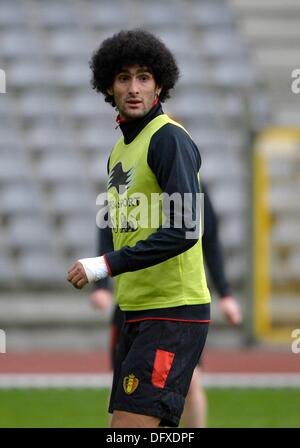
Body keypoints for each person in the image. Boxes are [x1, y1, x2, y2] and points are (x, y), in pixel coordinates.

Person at [67, 29, 211, 428]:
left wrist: (104, 265)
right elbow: (119, 224)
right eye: (124, 78)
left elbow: (185, 229)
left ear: (159, 85)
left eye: (144, 77)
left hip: (173, 313)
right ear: (108, 87)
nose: (134, 88)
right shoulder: (119, 150)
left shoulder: (168, 139)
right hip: (136, 310)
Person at [90, 182, 242, 428]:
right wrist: (100, 285)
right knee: (123, 392)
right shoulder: (129, 180)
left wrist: (225, 293)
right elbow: (108, 231)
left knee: (190, 382)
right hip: (131, 302)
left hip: (175, 306)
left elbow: (210, 240)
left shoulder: (189, 185)